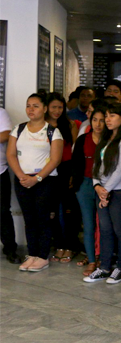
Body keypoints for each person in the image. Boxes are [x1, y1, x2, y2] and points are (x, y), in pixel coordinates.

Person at [7, 94, 64, 271]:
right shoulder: (19, 129)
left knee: (43, 219)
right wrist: (21, 176)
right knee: (29, 219)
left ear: (44, 109)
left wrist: (36, 179)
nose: (31, 109)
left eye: (36, 106)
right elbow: (10, 154)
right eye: (28, 106)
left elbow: (55, 159)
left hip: (44, 181)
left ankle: (42, 256)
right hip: (22, 180)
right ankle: (32, 254)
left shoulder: (52, 132)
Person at [83, 102, 121, 284]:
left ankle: (120, 268)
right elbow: (96, 165)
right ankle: (104, 267)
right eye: (107, 116)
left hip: (119, 191)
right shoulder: (105, 138)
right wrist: (97, 186)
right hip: (103, 190)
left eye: (112, 116)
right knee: (104, 230)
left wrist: (105, 191)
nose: (107, 119)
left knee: (119, 229)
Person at [45, 93, 80, 263]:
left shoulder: (70, 124)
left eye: (60, 107)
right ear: (47, 108)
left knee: (68, 211)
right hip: (47, 170)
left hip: (66, 169)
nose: (57, 111)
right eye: (54, 107)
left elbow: (75, 152)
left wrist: (74, 173)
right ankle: (58, 244)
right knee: (52, 211)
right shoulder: (41, 125)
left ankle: (70, 246)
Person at [72, 108, 106, 275]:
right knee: (89, 225)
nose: (98, 124)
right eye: (95, 120)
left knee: (105, 226)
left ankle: (104, 259)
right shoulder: (83, 139)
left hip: (105, 186)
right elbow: (76, 163)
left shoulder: (111, 140)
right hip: (85, 185)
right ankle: (92, 261)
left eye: (101, 120)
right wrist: (77, 185)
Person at [0, 107, 19, 263]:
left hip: (0, 171)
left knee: (3, 212)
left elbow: (5, 135)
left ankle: (10, 249)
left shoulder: (1, 112)